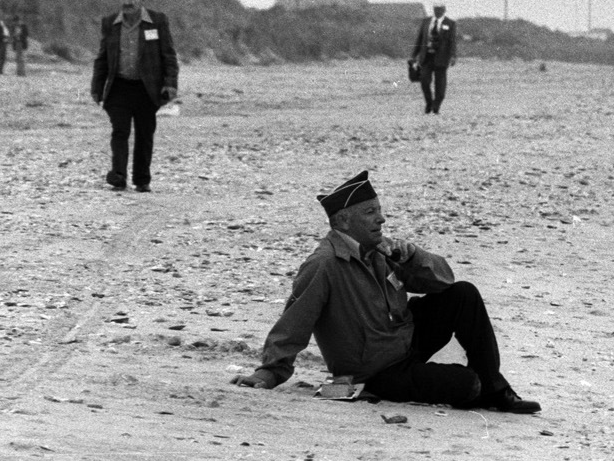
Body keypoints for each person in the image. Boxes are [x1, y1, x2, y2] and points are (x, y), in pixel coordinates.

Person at [231, 170, 541, 415]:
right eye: (369, 212)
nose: (381, 218)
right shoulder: (324, 264)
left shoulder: (378, 250)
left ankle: (495, 389)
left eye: (379, 210)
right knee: (466, 385)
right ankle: (477, 387)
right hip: (376, 370)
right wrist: (269, 373)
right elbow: (294, 321)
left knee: (463, 295)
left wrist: (412, 257)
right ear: (343, 221)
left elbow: (444, 281)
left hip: (404, 342)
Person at [90, 0, 179, 192]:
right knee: (119, 131)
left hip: (146, 88)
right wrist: (97, 87)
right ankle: (118, 175)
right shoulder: (110, 23)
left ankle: (142, 180)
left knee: (144, 133)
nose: (127, 2)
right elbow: (102, 57)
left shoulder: (157, 21)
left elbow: (169, 55)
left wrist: (170, 84)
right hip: (119, 87)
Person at [411, 3, 457, 114]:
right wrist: (413, 55)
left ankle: (436, 106)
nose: (438, 11)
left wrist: (453, 56)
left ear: (444, 10)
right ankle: (429, 103)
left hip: (442, 58)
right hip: (426, 57)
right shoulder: (426, 22)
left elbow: (452, 41)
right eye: (436, 9)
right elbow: (420, 39)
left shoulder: (450, 23)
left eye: (440, 9)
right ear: (433, 9)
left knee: (440, 85)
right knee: (424, 81)